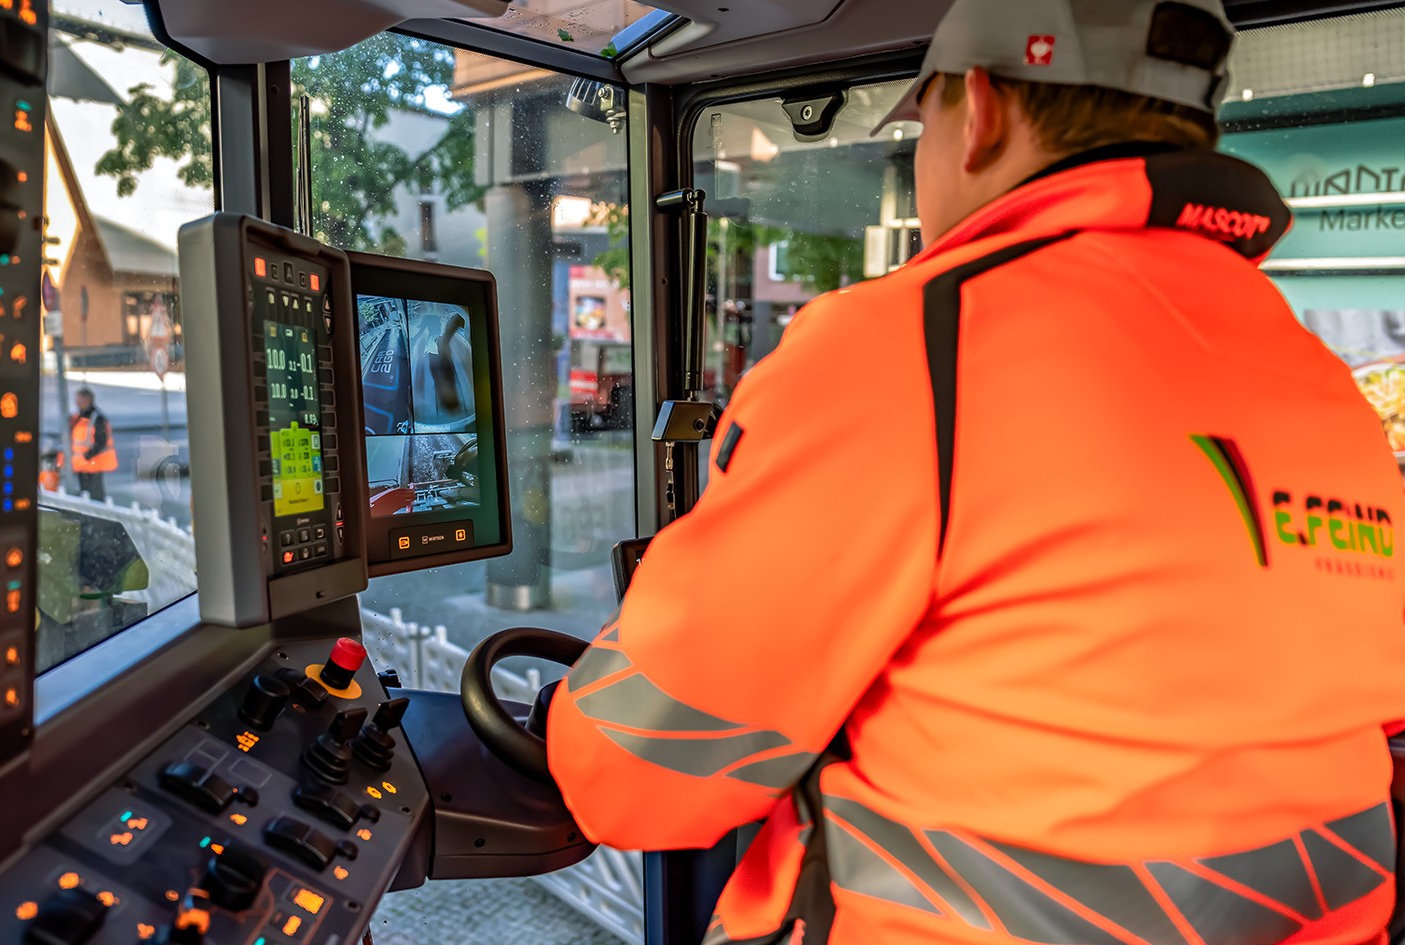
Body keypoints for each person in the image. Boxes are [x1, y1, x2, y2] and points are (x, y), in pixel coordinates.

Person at [544, 2, 1405, 943]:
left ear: (981, 109)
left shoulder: (909, 346)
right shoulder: (1320, 381)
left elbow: (642, 770)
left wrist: (566, 718)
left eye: (923, 123)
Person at [70, 387, 116, 501]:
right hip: (82, 464)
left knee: (95, 494)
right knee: (86, 493)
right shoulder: (77, 417)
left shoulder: (98, 418)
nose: (77, 402)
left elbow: (101, 442)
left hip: (94, 463)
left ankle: (98, 517)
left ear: (88, 400)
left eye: (79, 400)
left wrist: (88, 456)